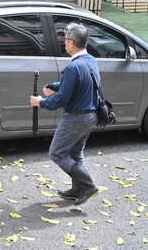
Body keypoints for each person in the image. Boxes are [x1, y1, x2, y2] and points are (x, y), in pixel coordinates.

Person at [30, 22, 100, 205]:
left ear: (71, 42)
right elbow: (79, 83)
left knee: (57, 153)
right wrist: (55, 85)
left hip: (76, 118)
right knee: (76, 153)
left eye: (65, 39)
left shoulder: (72, 67)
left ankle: (88, 186)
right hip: (90, 116)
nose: (64, 43)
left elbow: (60, 100)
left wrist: (41, 102)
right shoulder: (90, 60)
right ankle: (78, 189)